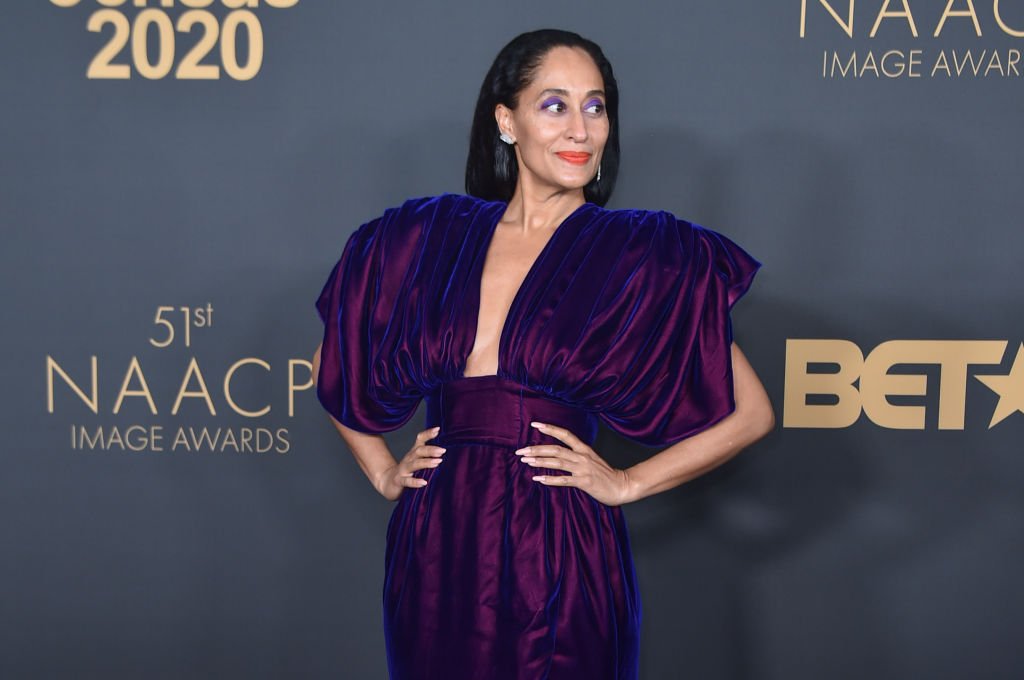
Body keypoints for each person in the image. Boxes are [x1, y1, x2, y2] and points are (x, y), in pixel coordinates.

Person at [312, 28, 774, 680]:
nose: (581, 129)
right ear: (508, 120)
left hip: (558, 542)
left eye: (596, 105)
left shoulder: (640, 253)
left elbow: (751, 414)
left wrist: (626, 483)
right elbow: (335, 356)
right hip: (437, 544)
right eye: (555, 105)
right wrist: (384, 472)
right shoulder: (430, 234)